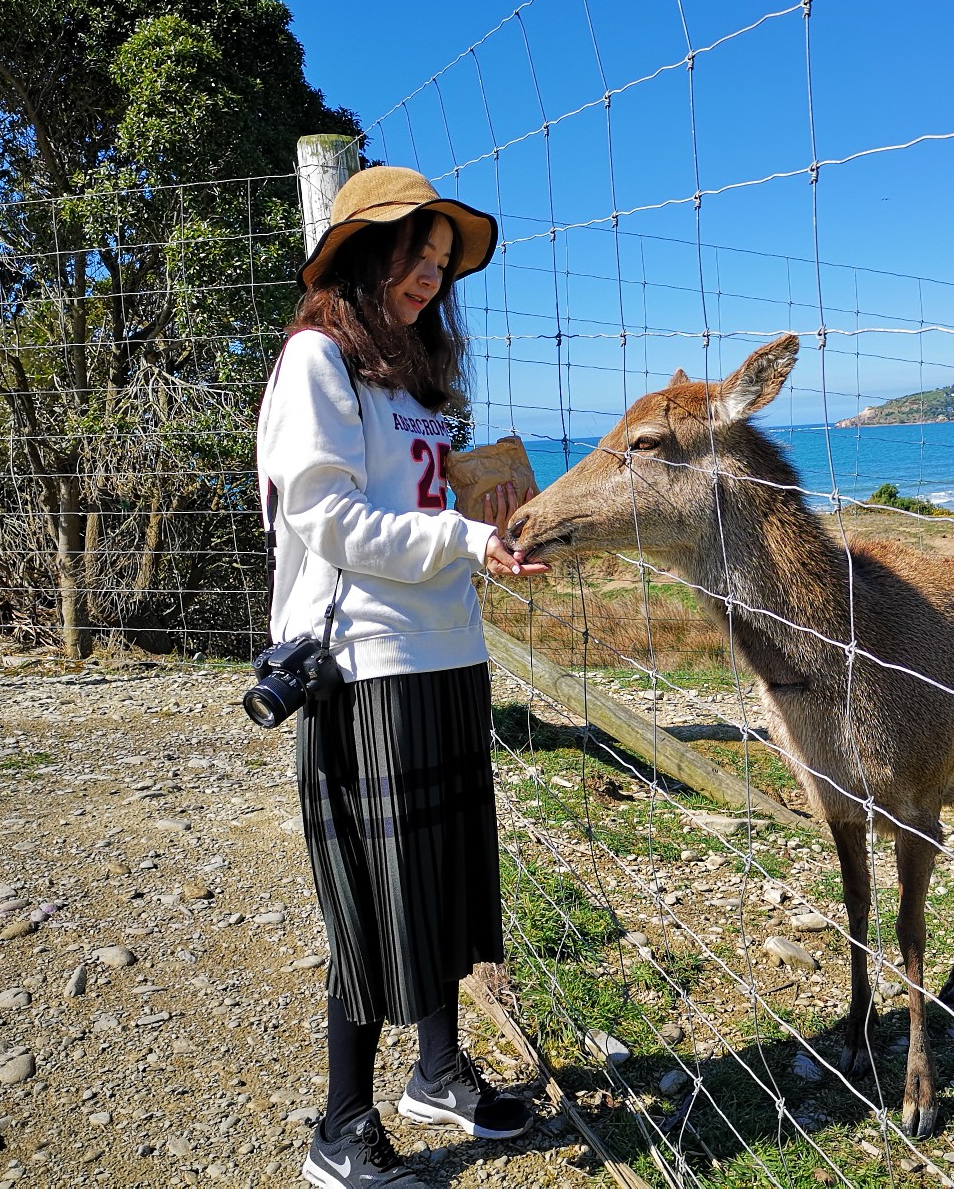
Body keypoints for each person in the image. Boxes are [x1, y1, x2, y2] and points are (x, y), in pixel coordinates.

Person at [256, 165, 549, 1189]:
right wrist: (464, 541)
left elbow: (422, 503)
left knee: (439, 885)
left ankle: (437, 1072)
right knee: (372, 905)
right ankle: (340, 1127)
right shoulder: (317, 362)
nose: (428, 279)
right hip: (362, 662)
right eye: (411, 258)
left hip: (443, 650)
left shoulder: (410, 375)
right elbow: (324, 518)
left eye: (439, 264)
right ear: (358, 257)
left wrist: (492, 535)